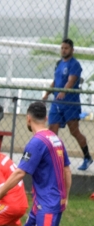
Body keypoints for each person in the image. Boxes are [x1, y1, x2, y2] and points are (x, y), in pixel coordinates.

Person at [42, 38, 92, 171]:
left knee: (74, 131)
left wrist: (64, 91)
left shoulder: (74, 64)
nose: (63, 50)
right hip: (56, 103)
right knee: (52, 130)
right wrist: (47, 93)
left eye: (66, 48)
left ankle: (87, 157)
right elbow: (55, 81)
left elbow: (71, 80)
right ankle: (53, 159)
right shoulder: (59, 63)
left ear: (72, 50)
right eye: (62, 48)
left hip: (70, 103)